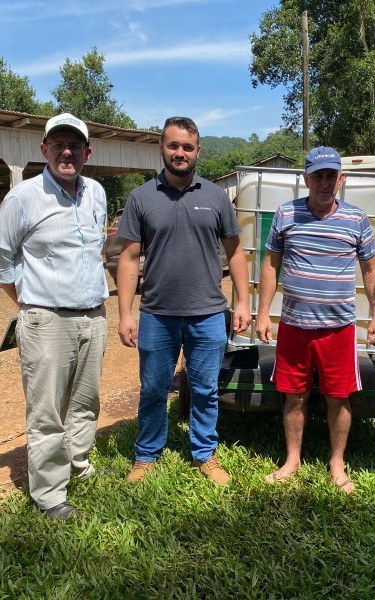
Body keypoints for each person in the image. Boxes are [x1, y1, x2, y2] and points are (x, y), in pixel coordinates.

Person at [116, 116, 250, 486]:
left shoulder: (215, 197)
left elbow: (236, 253)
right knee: (155, 388)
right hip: (158, 314)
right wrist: (125, 312)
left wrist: (242, 302)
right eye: (173, 145)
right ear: (162, 147)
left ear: (198, 151)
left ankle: (205, 453)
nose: (180, 153)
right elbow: (128, 258)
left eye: (187, 147)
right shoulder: (141, 198)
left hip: (208, 312)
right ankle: (147, 455)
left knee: (206, 388)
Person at [0, 113, 108, 520]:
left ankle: (79, 464)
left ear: (87, 152)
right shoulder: (23, 197)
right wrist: (27, 302)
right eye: (58, 144)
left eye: (75, 145)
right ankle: (51, 493)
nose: (67, 151)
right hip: (46, 319)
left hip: (94, 316)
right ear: (44, 150)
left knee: (85, 400)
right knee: (47, 411)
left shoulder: (96, 193)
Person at [255, 146, 375, 494]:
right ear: (306, 179)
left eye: (331, 175)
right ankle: (292, 460)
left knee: (338, 397)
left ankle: (337, 462)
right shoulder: (286, 214)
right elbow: (271, 265)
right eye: (318, 176)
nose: (324, 183)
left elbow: (371, 269)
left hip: (338, 329)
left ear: (341, 179)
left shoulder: (356, 219)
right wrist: (263, 312)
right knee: (293, 396)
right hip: (295, 326)